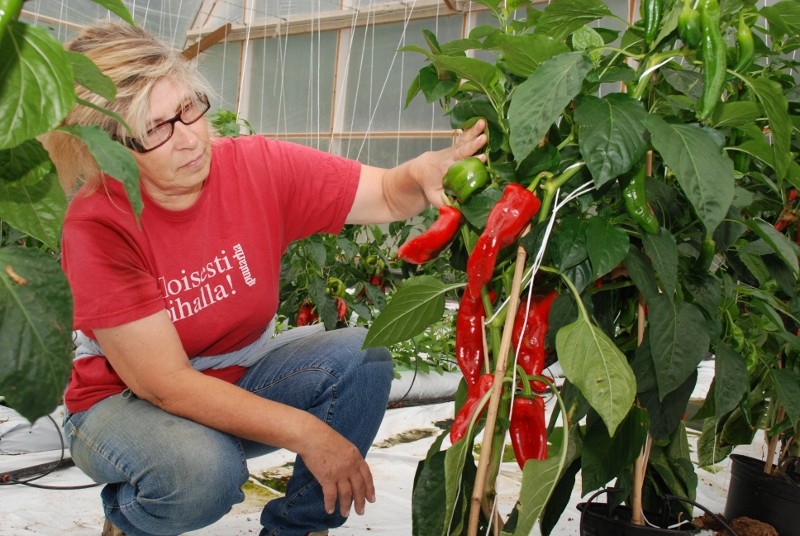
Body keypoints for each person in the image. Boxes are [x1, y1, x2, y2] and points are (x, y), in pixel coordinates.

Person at [42, 21, 486, 536]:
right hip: (124, 404)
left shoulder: (254, 168)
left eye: (189, 109)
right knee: (202, 473)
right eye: (155, 129)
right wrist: (310, 434)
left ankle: (298, 528)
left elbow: (387, 193)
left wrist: (422, 171)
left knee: (363, 357)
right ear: (109, 146)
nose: (188, 139)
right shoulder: (100, 222)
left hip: (235, 377)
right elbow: (164, 385)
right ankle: (130, 518)